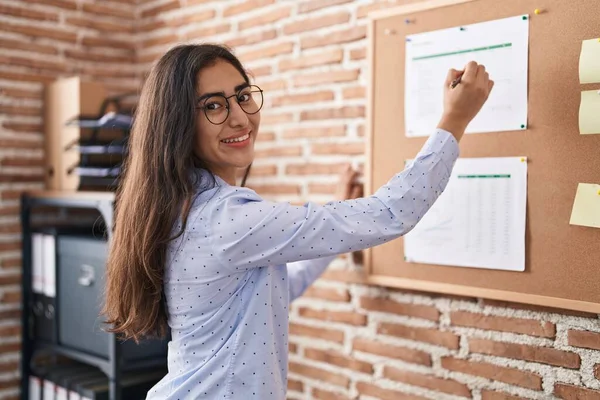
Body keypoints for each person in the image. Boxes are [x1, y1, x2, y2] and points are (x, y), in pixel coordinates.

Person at [102, 43, 493, 399]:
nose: (240, 117)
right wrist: (454, 120)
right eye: (214, 105)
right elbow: (391, 212)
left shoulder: (184, 206)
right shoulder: (224, 219)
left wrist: (337, 212)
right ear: (177, 124)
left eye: (242, 96)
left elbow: (279, 288)